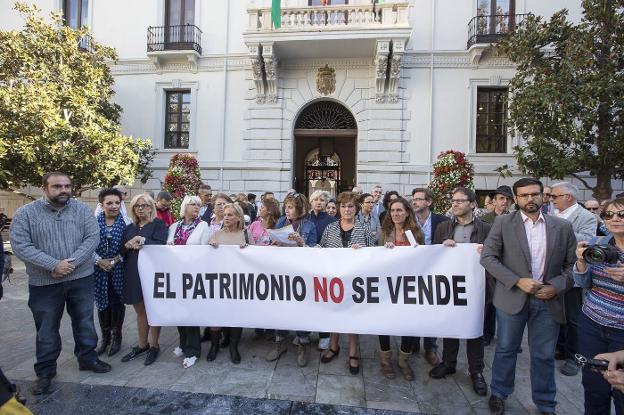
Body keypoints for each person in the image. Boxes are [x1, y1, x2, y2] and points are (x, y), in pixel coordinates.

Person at [481, 177, 576, 415]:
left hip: (548, 300)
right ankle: (499, 393)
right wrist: (517, 281)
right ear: (516, 199)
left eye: (534, 194)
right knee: (505, 349)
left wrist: (556, 286)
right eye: (524, 195)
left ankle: (545, 403)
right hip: (511, 298)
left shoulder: (562, 227)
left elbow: (572, 266)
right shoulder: (503, 223)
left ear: (543, 195)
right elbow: (488, 258)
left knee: (543, 355)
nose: (530, 199)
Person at [10, 172, 109, 396]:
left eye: (66, 186)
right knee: (46, 328)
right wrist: (53, 265)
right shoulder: (26, 213)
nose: (63, 190)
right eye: (57, 186)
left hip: (80, 278)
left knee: (84, 321)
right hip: (44, 283)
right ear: (44, 188)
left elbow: (92, 238)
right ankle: (45, 372)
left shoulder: (81, 209)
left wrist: (68, 265)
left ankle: (87, 358)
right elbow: (20, 245)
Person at [429, 187, 492, 396]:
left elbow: (497, 257)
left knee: (474, 331)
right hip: (450, 286)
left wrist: (486, 252)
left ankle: (476, 372)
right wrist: (443, 248)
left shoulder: (487, 229)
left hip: (476, 287)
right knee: (450, 326)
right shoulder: (444, 228)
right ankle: (448, 362)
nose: (455, 204)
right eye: (453, 200)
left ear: (473, 204)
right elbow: (434, 258)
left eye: (460, 201)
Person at [573, 198, 624, 414]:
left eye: (621, 214)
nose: (615, 219)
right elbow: (583, 283)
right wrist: (581, 263)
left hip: (621, 332)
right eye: (608, 215)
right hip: (591, 324)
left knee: (621, 391)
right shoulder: (597, 244)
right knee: (594, 387)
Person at [320, 192, 373, 375]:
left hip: (355, 282)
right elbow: (322, 250)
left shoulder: (364, 229)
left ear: (356, 208)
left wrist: (363, 251)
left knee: (352, 318)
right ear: (338, 209)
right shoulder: (330, 228)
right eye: (343, 206)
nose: (347, 209)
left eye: (350, 206)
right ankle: (334, 346)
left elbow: (374, 254)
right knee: (334, 314)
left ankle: (352, 352)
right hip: (333, 281)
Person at [550, 181, 597, 376]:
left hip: (573, 275)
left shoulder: (586, 217)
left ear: (568, 197)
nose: (551, 200)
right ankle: (560, 348)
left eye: (554, 197)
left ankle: (573, 357)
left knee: (572, 317)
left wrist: (561, 227)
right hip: (552, 274)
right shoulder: (551, 215)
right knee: (554, 314)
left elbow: (586, 241)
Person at [267, 193, 316, 366]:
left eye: (290, 207)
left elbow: (314, 250)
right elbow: (273, 241)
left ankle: (302, 344)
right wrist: (275, 243)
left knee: (300, 309)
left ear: (300, 209)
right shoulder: (281, 222)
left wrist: (302, 242)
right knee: (280, 306)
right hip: (282, 272)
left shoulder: (310, 224)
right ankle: (279, 343)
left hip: (301, 274)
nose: (286, 210)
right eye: (286, 207)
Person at [377, 197, 423, 381]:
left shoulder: (416, 233)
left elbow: (423, 257)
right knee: (384, 323)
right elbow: (376, 256)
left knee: (408, 323)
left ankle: (404, 360)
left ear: (407, 213)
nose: (395, 214)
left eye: (399, 210)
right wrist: (383, 250)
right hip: (386, 285)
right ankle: (385, 360)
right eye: (393, 210)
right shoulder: (384, 232)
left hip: (408, 285)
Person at [120, 194, 168, 366]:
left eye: (143, 205)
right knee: (140, 311)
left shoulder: (158, 224)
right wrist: (126, 246)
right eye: (136, 206)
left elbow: (162, 244)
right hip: (133, 272)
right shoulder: (130, 227)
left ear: (151, 207)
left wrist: (143, 240)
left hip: (152, 273)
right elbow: (122, 250)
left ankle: (154, 345)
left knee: (152, 309)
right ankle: (142, 345)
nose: (140, 208)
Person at [167, 195, 212, 368]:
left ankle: (193, 350)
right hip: (175, 274)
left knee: (190, 313)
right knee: (178, 311)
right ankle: (183, 343)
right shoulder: (174, 226)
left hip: (193, 276)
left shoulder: (203, 226)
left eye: (198, 205)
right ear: (184, 206)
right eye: (193, 204)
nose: (196, 207)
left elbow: (204, 251)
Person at [207, 203, 254, 364]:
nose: (226, 217)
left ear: (238, 218)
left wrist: (248, 249)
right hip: (219, 282)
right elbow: (205, 258)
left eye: (230, 215)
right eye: (225, 214)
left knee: (236, 317)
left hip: (239, 283)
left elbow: (255, 258)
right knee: (216, 316)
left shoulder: (246, 234)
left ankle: (234, 348)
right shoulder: (216, 235)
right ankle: (214, 346)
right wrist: (210, 247)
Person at [410, 187, 450, 365]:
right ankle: (412, 343)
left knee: (431, 308)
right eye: (414, 199)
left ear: (429, 202)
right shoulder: (408, 221)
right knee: (413, 307)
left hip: (435, 272)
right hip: (412, 271)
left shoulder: (443, 221)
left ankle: (430, 347)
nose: (415, 202)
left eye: (419, 199)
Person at [93, 188, 127, 358]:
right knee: (101, 303)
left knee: (116, 302)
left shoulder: (127, 224)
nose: (114, 206)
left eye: (117, 203)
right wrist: (99, 260)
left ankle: (116, 336)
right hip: (98, 270)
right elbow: (86, 245)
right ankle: (105, 338)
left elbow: (127, 248)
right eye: (109, 203)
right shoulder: (92, 223)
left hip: (118, 270)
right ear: (102, 205)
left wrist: (114, 261)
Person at [248, 197, 281, 340]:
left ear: (269, 211)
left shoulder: (277, 225)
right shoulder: (255, 224)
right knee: (257, 295)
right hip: (254, 266)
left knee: (270, 296)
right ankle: (258, 326)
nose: (259, 209)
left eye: (262, 207)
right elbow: (248, 239)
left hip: (271, 267)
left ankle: (271, 327)